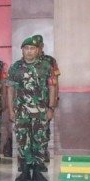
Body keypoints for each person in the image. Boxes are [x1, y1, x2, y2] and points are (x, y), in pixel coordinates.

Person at [6, 36, 56, 181]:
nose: (29, 51)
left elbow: (52, 87)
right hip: (21, 112)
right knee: (23, 141)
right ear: (22, 50)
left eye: (32, 48)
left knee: (40, 141)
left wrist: (51, 107)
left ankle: (38, 171)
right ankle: (25, 171)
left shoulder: (46, 66)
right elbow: (10, 90)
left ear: (37, 50)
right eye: (26, 48)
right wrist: (11, 111)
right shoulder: (15, 67)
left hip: (41, 111)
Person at [33, 34, 60, 168]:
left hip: (45, 102)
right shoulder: (26, 61)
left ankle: (43, 154)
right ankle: (29, 158)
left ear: (42, 46)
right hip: (29, 103)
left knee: (44, 129)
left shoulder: (50, 61)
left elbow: (55, 82)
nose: (36, 49)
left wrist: (54, 100)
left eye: (38, 46)